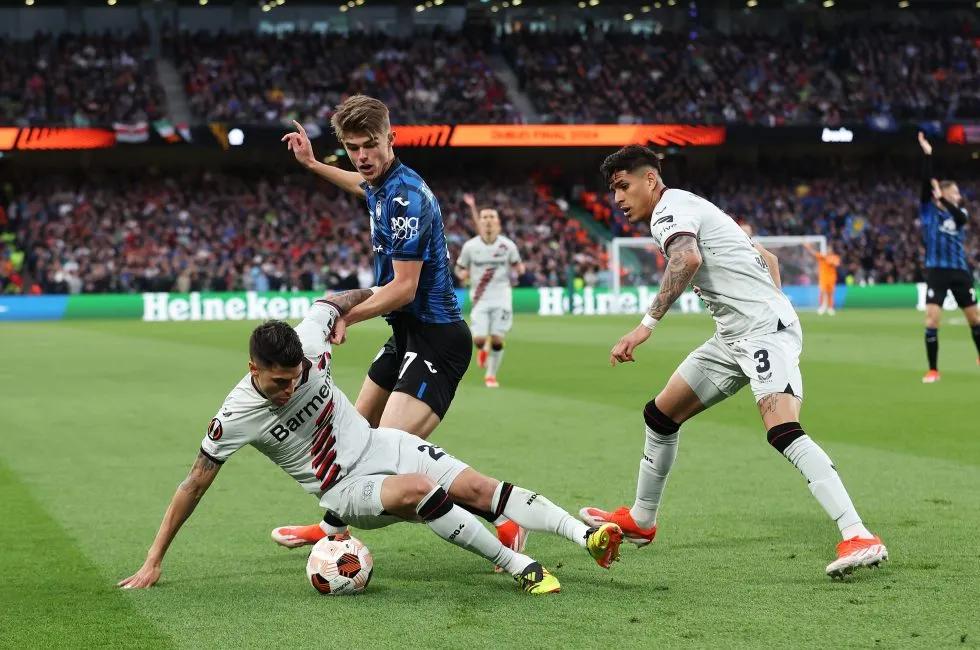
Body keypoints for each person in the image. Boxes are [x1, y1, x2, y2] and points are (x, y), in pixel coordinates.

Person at [117, 294, 624, 594]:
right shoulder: (235, 416)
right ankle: (520, 568)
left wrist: (351, 312)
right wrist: (154, 558)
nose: (290, 388)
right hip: (344, 489)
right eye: (279, 382)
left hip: (382, 444)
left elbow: (331, 301)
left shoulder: (309, 343)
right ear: (254, 369)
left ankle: (587, 538)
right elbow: (193, 484)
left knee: (479, 488)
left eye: (296, 377)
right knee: (420, 490)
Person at [579, 145, 887, 579]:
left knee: (782, 429)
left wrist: (646, 326)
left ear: (650, 179)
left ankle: (858, 534)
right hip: (731, 337)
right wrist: (767, 303)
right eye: (613, 190)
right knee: (661, 416)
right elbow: (769, 259)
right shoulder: (691, 206)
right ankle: (642, 520)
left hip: (761, 334)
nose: (617, 199)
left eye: (623, 186)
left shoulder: (670, 210)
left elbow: (687, 259)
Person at [277, 95, 527, 555]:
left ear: (391, 138)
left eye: (370, 145)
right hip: (406, 336)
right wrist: (312, 164)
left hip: (437, 341)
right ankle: (334, 527)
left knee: (389, 459)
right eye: (353, 148)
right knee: (349, 439)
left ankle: (501, 514)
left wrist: (344, 314)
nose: (362, 156)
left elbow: (404, 288)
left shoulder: (406, 198)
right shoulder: (380, 183)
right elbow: (361, 184)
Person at [916, 132, 980, 383]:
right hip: (936, 271)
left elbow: (961, 218)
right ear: (945, 193)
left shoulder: (959, 212)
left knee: (975, 319)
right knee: (932, 320)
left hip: (959, 271)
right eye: (956, 192)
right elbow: (925, 184)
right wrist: (928, 155)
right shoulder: (929, 212)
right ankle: (933, 370)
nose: (959, 195)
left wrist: (944, 199)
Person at [457, 193, 525, 388]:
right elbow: (459, 267)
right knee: (478, 339)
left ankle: (491, 375)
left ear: (498, 222)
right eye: (484, 217)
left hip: (502, 296)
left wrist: (520, 270)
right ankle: (482, 348)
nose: (488, 220)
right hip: (479, 298)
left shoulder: (508, 246)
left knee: (497, 339)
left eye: (491, 217)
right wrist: (462, 274)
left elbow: (519, 266)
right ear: (479, 222)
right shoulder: (470, 247)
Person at [805, 242, 840, 316]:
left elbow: (837, 264)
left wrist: (830, 261)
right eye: (827, 249)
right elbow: (813, 253)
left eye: (829, 249)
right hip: (823, 277)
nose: (828, 250)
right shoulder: (822, 257)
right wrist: (809, 248)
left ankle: (830, 308)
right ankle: (823, 306)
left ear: (832, 250)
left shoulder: (834, 257)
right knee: (823, 291)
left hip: (831, 278)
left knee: (830, 292)